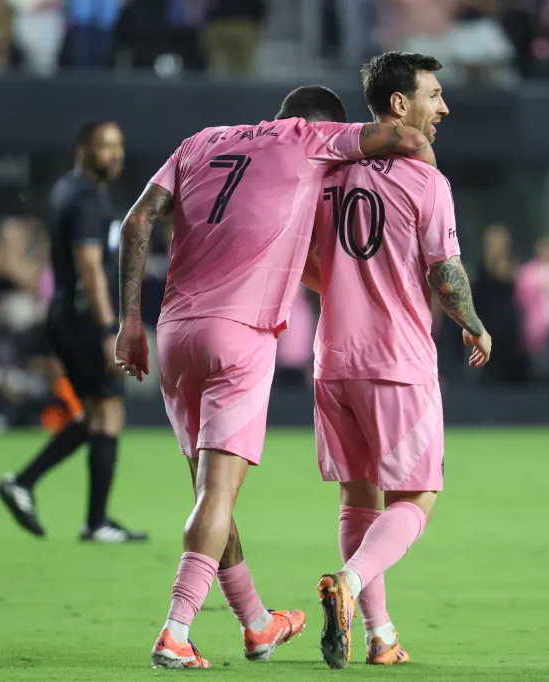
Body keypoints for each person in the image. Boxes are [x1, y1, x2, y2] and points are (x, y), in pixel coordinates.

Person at [115, 85, 434, 668]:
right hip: (240, 333)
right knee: (217, 494)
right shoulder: (311, 140)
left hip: (173, 335)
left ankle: (258, 624)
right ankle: (175, 631)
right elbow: (409, 137)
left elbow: (137, 221)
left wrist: (128, 322)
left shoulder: (200, 141)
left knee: (210, 492)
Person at [308, 51, 490, 670]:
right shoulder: (426, 182)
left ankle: (381, 636)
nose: (444, 107)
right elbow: (445, 270)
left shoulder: (327, 180)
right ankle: (350, 584)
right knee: (416, 499)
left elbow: (309, 265)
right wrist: (473, 323)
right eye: (433, 95)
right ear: (398, 105)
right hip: (398, 362)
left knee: (358, 501)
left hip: (333, 361)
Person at [0, 121, 146, 543]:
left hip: (65, 316)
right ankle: (89, 518)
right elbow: (90, 269)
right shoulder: (85, 198)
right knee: (108, 412)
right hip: (82, 318)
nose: (115, 155)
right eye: (105, 147)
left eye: (119, 146)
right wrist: (106, 330)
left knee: (96, 416)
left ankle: (30, 487)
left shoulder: (67, 190)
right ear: (83, 150)